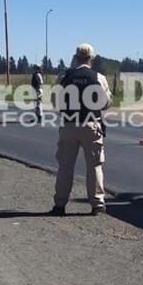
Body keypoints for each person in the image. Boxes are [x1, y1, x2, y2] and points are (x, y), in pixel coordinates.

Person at [50, 43, 112, 216]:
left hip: (69, 125)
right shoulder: (98, 78)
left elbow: (56, 102)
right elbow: (106, 103)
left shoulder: (64, 76)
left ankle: (60, 205)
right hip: (91, 124)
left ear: (76, 57)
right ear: (91, 58)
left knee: (65, 166)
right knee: (94, 166)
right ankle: (97, 204)